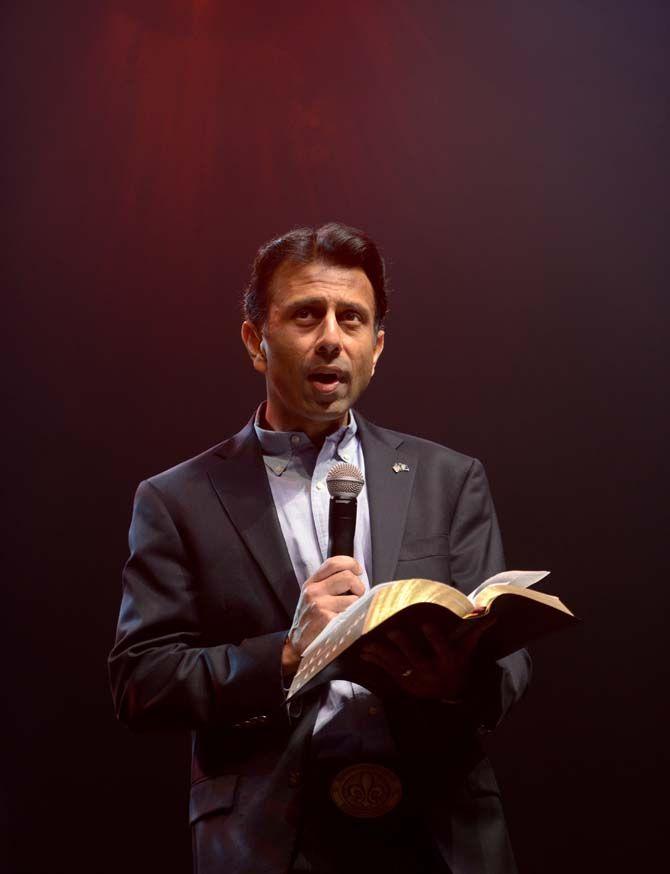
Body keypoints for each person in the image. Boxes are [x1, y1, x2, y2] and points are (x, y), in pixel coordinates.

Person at [109, 222, 531, 874]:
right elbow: (142, 682)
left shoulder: (450, 479)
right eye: (306, 315)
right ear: (256, 340)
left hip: (437, 828)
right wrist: (285, 654)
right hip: (269, 837)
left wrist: (456, 681)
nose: (331, 337)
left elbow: (508, 666)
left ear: (377, 346)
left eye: (352, 319)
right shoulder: (178, 499)